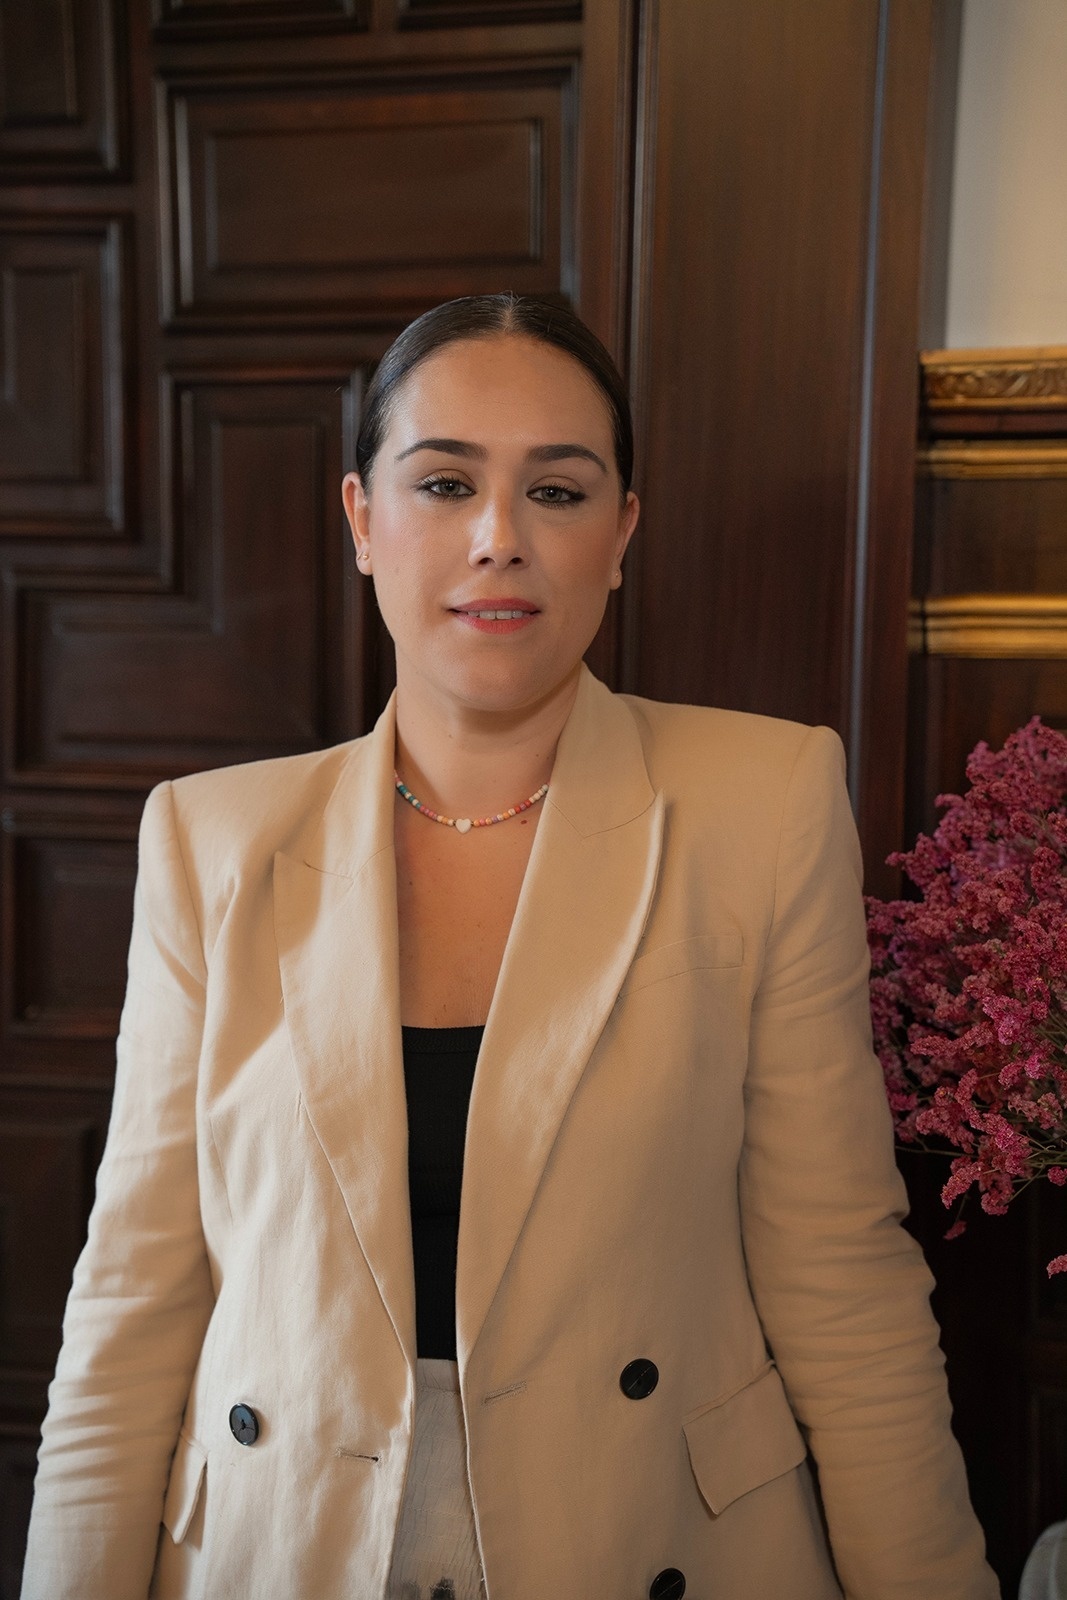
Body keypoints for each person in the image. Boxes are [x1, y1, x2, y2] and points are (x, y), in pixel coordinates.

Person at [21, 294, 997, 1600]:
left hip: (649, 1538)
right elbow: (131, 1308)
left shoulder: (761, 805)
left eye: (556, 490)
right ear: (362, 519)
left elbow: (841, 1280)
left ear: (621, 534)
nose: (499, 538)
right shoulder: (211, 842)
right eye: (444, 483)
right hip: (282, 1547)